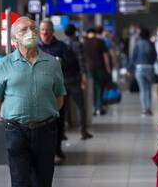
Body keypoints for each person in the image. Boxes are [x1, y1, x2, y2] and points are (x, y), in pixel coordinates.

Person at [0, 16, 66, 187]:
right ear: (14, 40)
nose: (31, 31)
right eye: (24, 29)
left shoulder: (52, 63)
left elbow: (60, 97)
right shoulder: (3, 65)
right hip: (16, 130)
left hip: (45, 129)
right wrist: (9, 115)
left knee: (43, 185)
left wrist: (44, 111)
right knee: (20, 185)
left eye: (33, 28)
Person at [38, 18, 79, 162]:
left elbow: (72, 65)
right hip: (40, 93)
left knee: (58, 121)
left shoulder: (62, 47)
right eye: (42, 30)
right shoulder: (36, 48)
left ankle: (57, 149)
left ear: (52, 32)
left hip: (57, 92)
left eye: (48, 30)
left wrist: (61, 63)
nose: (45, 33)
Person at [58, 24, 92, 140]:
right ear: (75, 32)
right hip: (75, 79)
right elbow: (81, 61)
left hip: (62, 79)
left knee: (62, 107)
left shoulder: (61, 44)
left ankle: (62, 132)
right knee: (81, 106)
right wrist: (84, 77)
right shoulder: (78, 44)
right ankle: (83, 131)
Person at [82, 27, 113, 117]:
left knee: (92, 89)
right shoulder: (100, 42)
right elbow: (105, 56)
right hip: (100, 68)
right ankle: (99, 108)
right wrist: (108, 68)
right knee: (99, 87)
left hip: (89, 69)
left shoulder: (85, 43)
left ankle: (93, 107)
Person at [130, 27, 158, 115]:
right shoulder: (151, 44)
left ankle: (144, 109)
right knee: (148, 89)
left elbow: (133, 57)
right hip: (149, 68)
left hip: (139, 68)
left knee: (142, 89)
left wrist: (131, 67)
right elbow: (155, 56)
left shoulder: (137, 44)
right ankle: (149, 109)